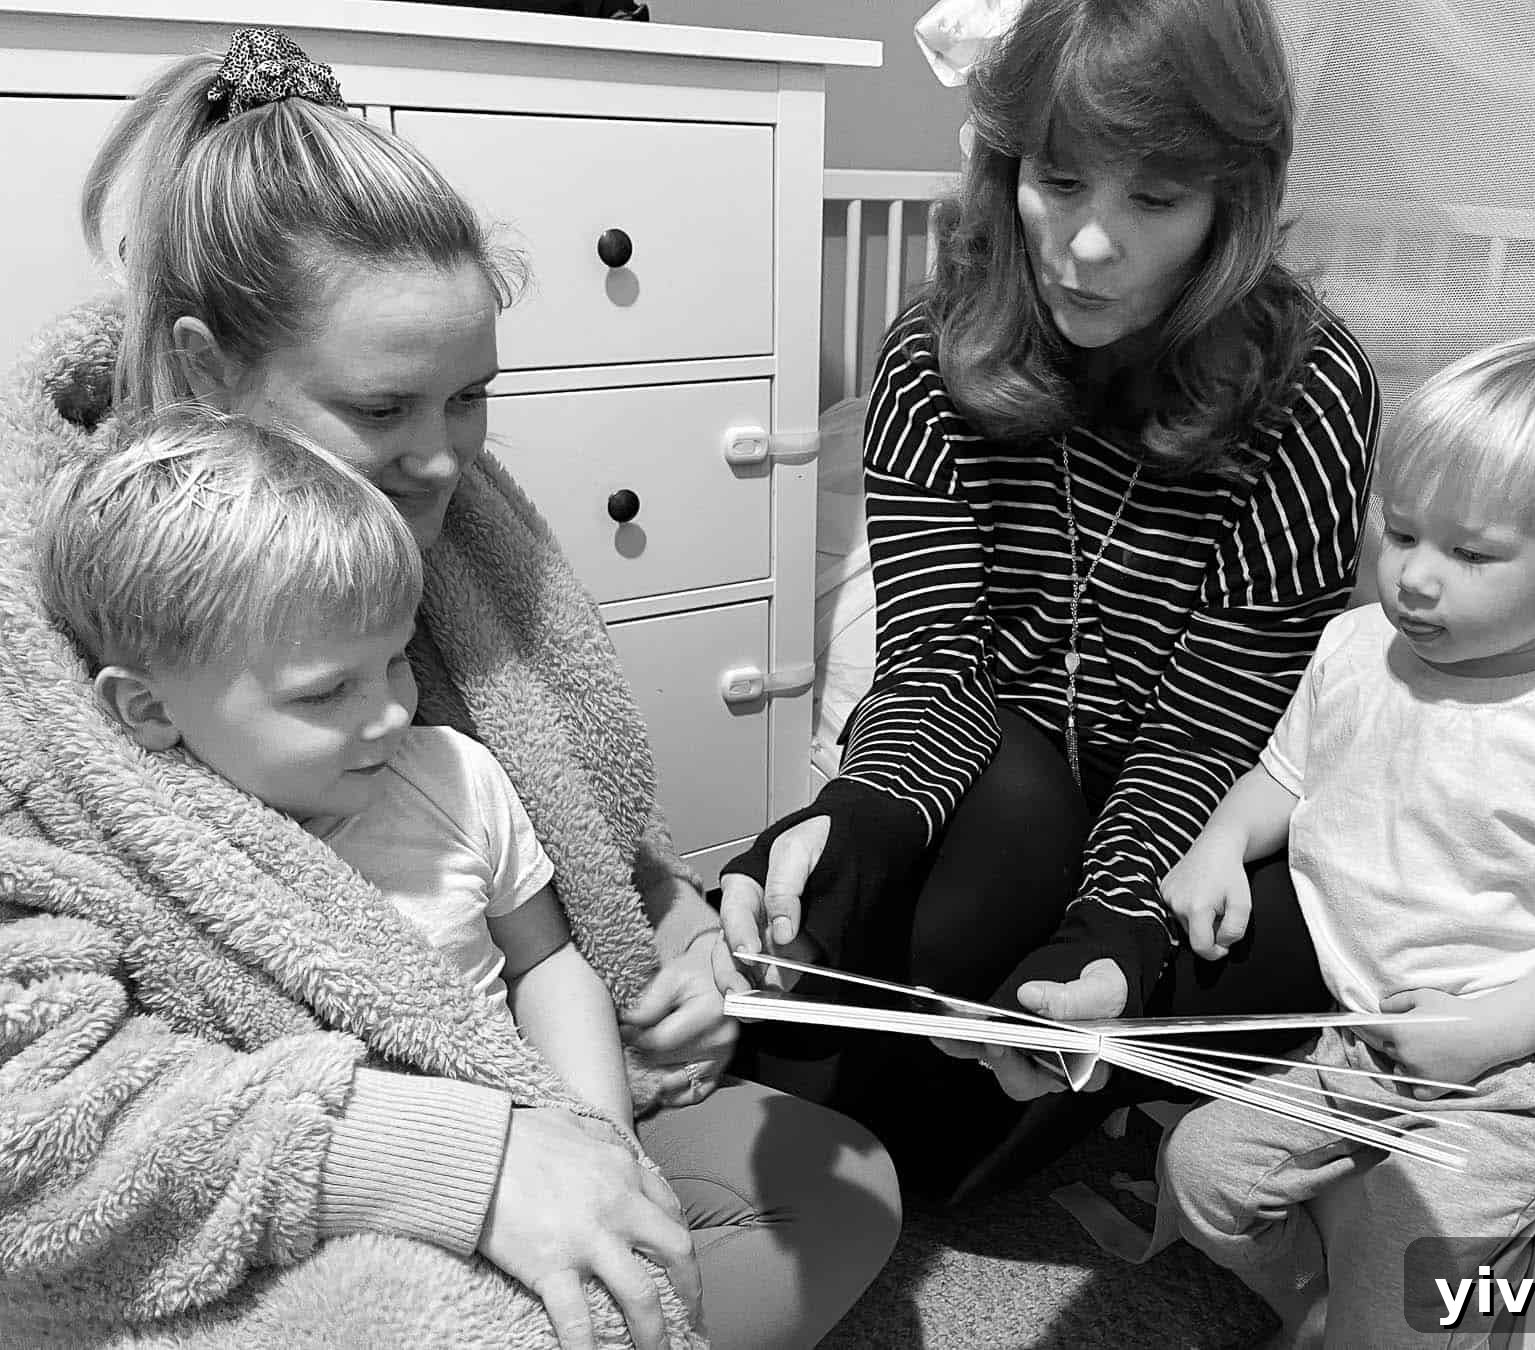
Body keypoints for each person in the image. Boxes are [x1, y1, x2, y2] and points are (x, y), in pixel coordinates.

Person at [0, 27, 897, 1350]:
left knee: (839, 1184)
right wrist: (453, 1159)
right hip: (265, 1177)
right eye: (383, 410)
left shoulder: (462, 531)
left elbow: (552, 826)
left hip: (524, 1066)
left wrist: (674, 933)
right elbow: (41, 1119)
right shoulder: (50, 627)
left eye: (471, 397)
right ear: (203, 369)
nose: (441, 462)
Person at [719, 0, 1380, 1196]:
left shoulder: (1310, 386)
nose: (1086, 247)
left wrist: (1119, 928)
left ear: (1232, 199)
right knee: (994, 804)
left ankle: (1023, 1051)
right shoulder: (933, 350)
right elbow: (931, 670)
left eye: (1155, 201)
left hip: (1181, 803)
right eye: (1059, 181)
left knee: (1300, 932)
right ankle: (967, 1062)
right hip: (994, 788)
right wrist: (862, 821)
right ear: (1006, 163)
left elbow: (1215, 725)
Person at [1160, 336, 1535, 1348]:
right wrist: (1219, 846)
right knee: (1199, 1175)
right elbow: (1287, 775)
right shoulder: (1355, 645)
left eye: (1474, 554)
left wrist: (1489, 1031)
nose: (1416, 578)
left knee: (1406, 1285)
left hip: (1514, 1066)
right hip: (1359, 1035)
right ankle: (1309, 1304)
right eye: (1399, 532)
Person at [38, 405, 647, 1128]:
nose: (393, 711)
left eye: (397, 659)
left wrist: (606, 1137)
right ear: (149, 709)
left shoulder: (455, 776)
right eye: (327, 691)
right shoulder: (148, 869)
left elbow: (543, 963)